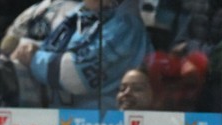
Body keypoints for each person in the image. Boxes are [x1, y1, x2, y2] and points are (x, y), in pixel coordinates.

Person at [17, 0, 151, 109]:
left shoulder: (125, 25)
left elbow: (74, 75)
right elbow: (54, 49)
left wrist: (34, 58)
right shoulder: (80, 14)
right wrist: (30, 49)